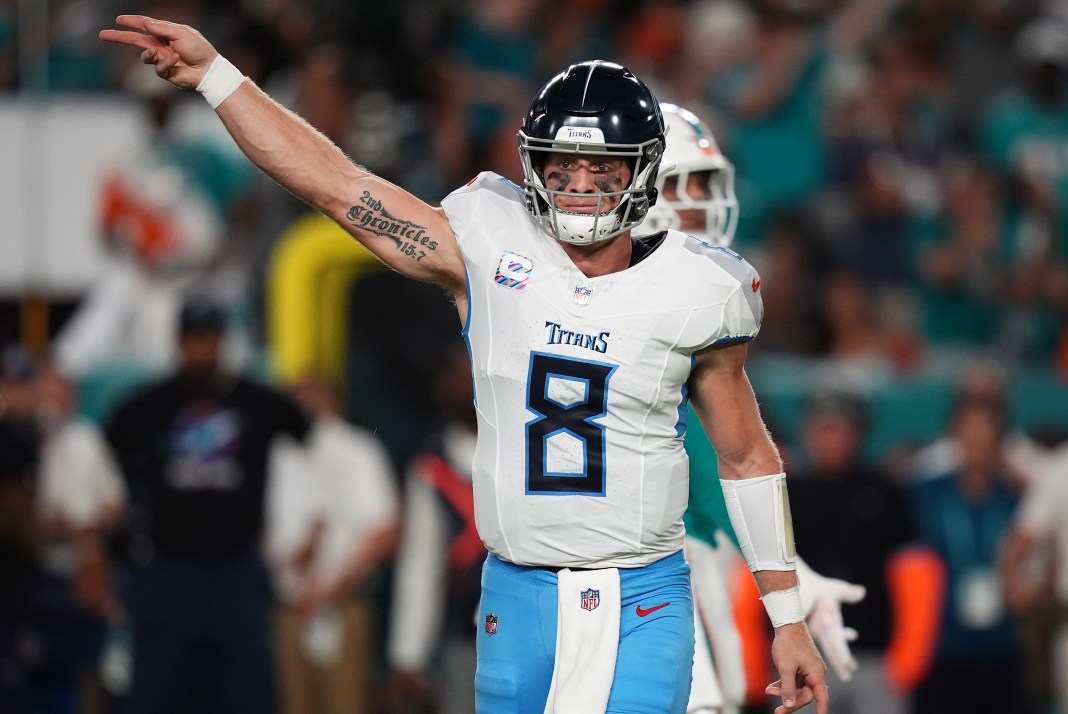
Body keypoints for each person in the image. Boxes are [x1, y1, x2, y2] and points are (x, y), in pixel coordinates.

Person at [100, 17, 829, 713]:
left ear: (641, 173)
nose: (577, 183)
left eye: (600, 166)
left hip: (638, 594)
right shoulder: (487, 241)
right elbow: (335, 183)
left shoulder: (698, 288)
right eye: (559, 164)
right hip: (513, 595)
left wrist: (786, 613)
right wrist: (218, 78)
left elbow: (745, 457)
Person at [641, 104, 865, 714]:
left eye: (705, 185)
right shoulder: (642, 309)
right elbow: (712, 471)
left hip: (649, 563)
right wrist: (786, 580)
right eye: (681, 183)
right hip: (633, 577)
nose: (700, 202)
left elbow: (705, 471)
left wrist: (789, 574)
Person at [74, 297, 324, 714]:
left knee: (244, 692)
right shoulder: (147, 407)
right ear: (179, 343)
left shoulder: (258, 403)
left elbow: (310, 439)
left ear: (223, 343)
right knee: (159, 690)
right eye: (193, 340)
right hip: (168, 568)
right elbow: (104, 458)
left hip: (237, 569)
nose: (201, 351)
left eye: (209, 340)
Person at [265, 374, 400, 714]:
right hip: (288, 609)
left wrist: (329, 587)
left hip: (341, 607)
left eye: (311, 397)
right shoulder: (276, 455)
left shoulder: (357, 450)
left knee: (345, 705)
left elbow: (386, 531)